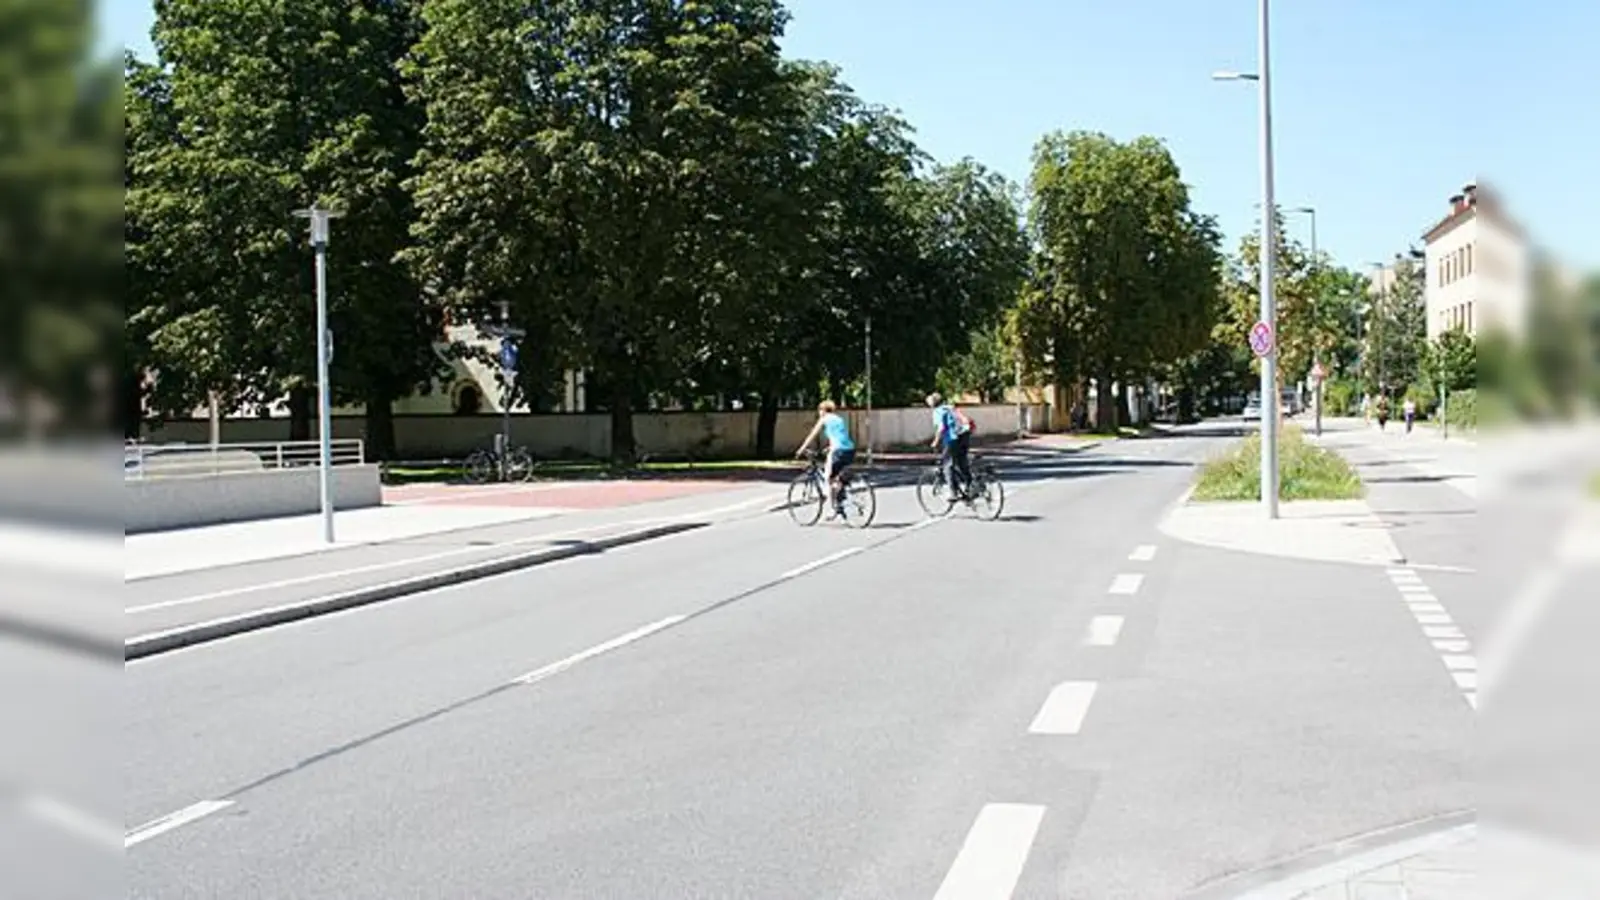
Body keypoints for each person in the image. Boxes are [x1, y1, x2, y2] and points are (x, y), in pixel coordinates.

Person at [795, 400, 855, 518]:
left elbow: (812, 435)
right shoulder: (839, 419)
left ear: (822, 410)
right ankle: (840, 498)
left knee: (829, 478)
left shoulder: (824, 419)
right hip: (849, 450)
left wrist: (801, 449)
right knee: (838, 478)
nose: (819, 413)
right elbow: (841, 436)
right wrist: (829, 447)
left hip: (838, 451)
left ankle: (834, 508)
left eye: (820, 410)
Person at [926, 392, 973, 499]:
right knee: (962, 462)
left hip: (952, 438)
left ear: (932, 404)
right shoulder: (950, 407)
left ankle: (953, 493)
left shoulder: (938, 411)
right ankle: (971, 486)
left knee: (947, 465)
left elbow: (941, 427)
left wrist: (936, 441)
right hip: (964, 435)